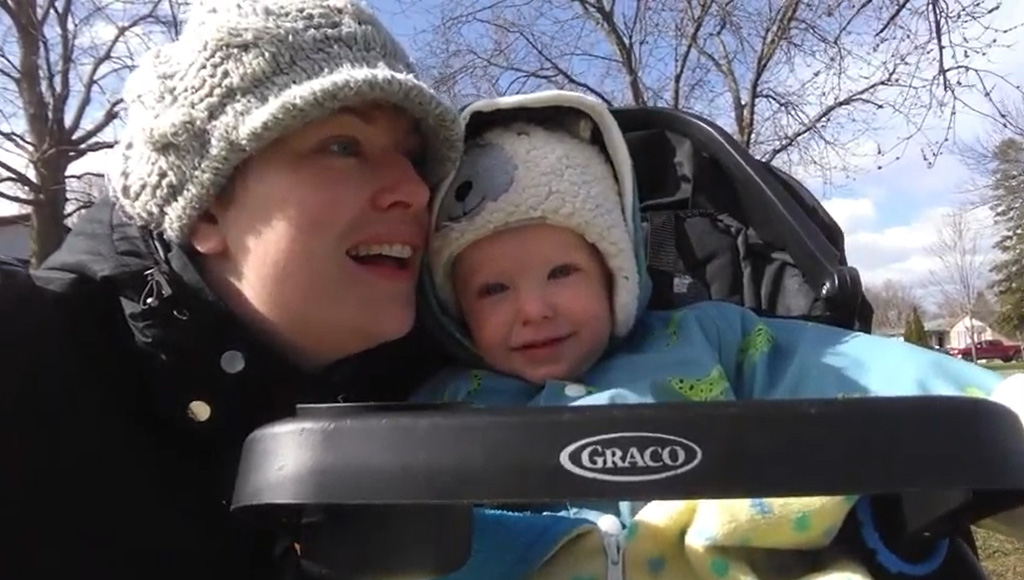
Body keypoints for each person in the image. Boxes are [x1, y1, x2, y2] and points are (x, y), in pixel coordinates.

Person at [410, 90, 1024, 580]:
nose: (533, 309)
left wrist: (999, 409)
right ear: (455, 309)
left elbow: (840, 364)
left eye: (562, 273)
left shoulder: (704, 339)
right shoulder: (444, 404)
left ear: (614, 275)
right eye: (493, 289)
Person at [0, 0, 463, 578]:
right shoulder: (25, 355)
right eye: (343, 146)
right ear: (206, 209)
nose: (415, 190)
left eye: (414, 158)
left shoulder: (456, 382)